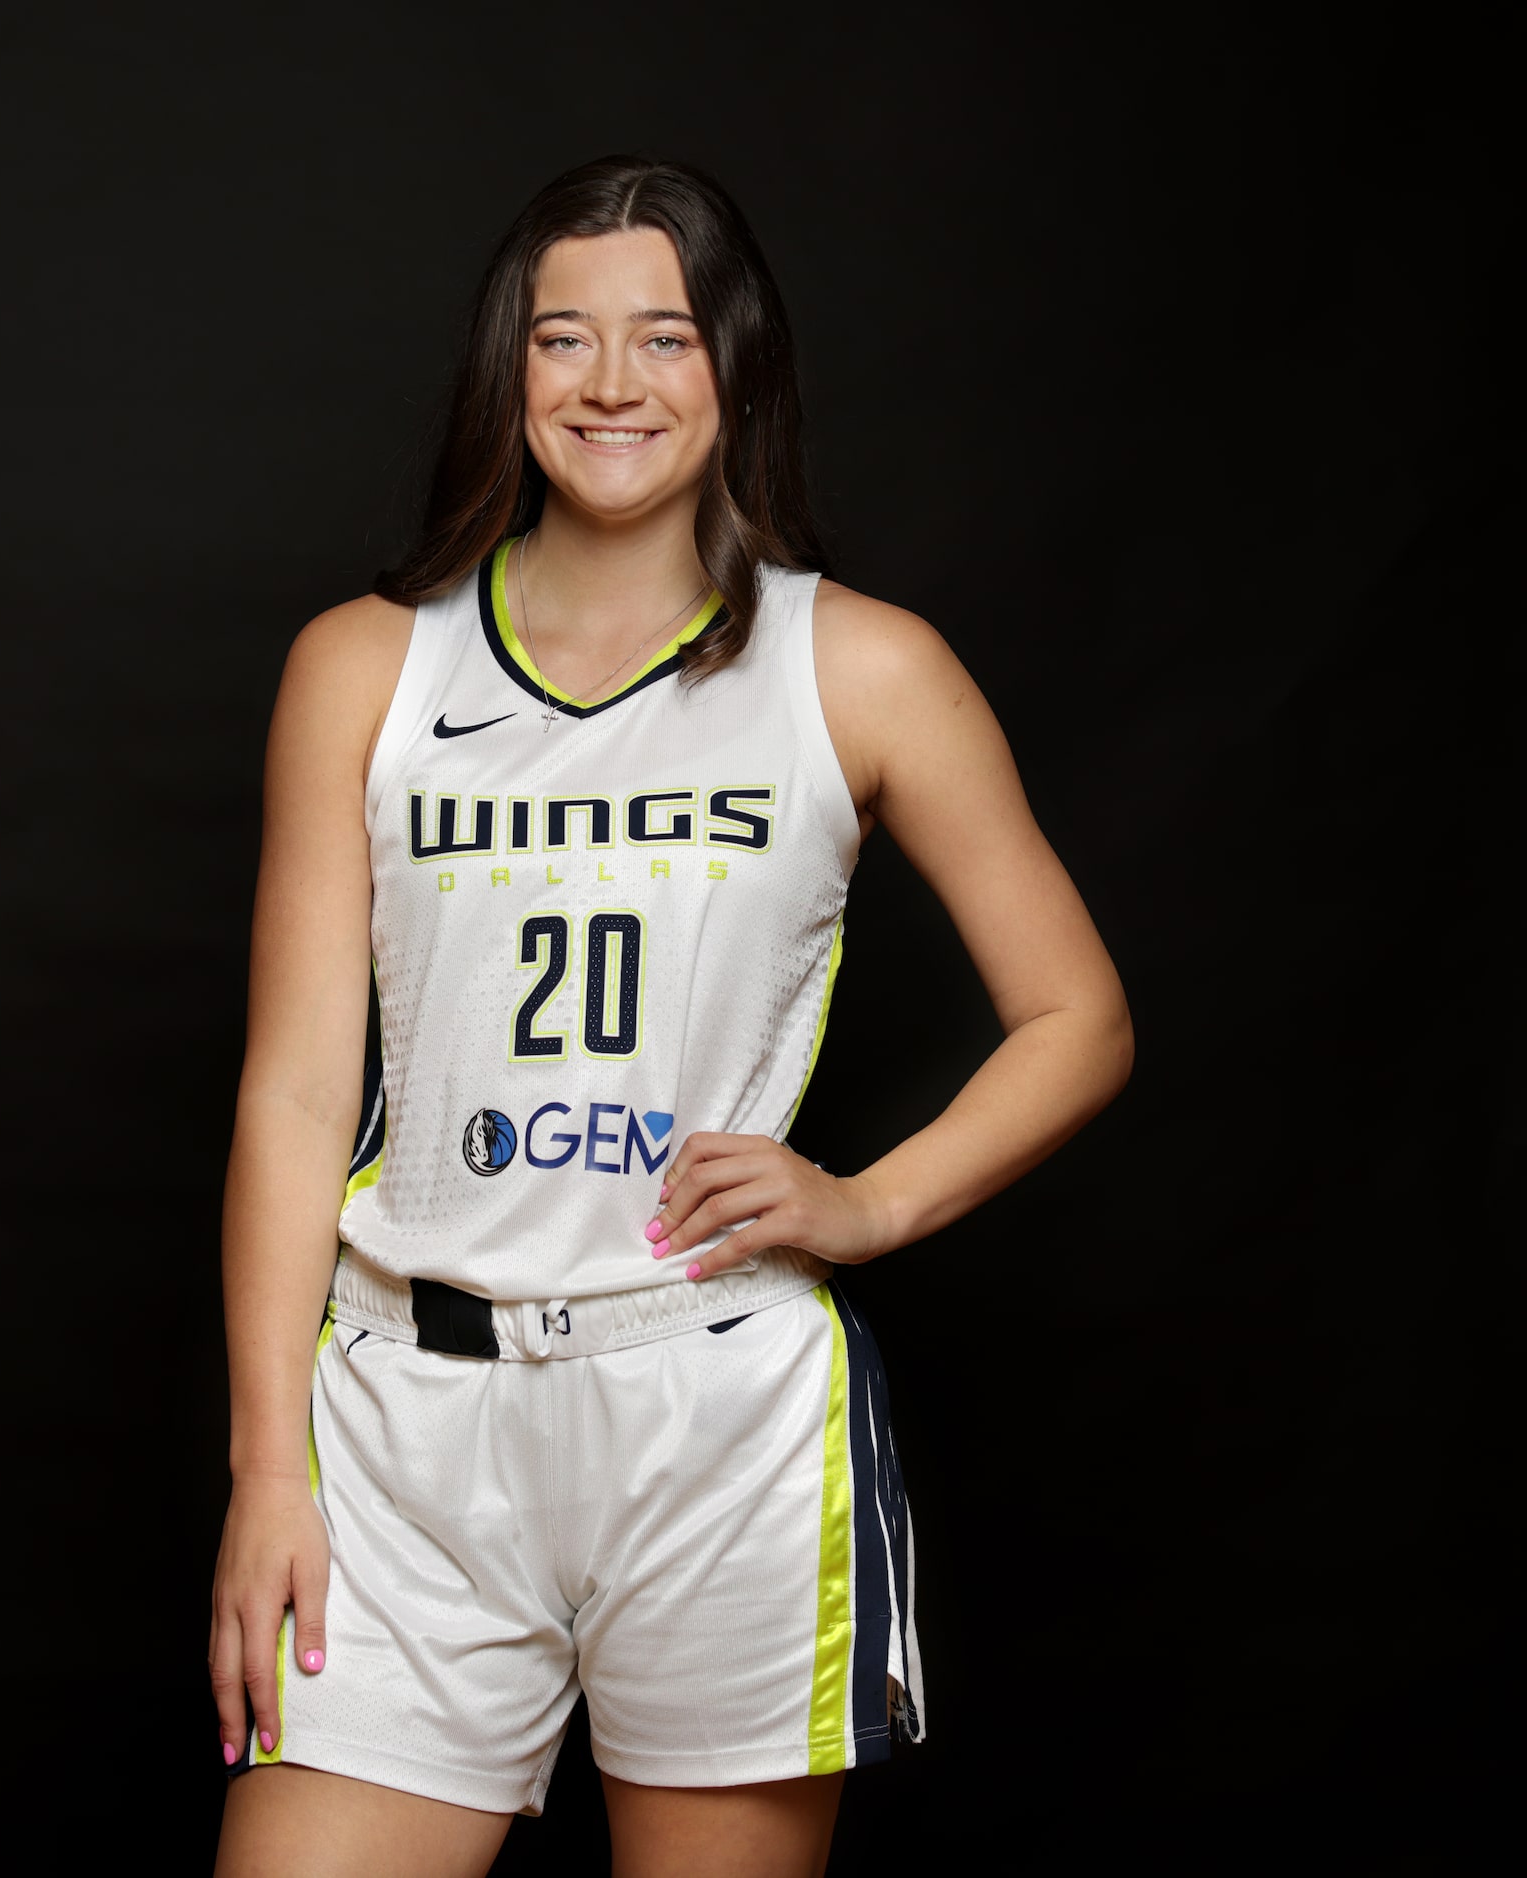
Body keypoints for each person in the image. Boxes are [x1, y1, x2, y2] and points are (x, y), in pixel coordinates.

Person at [209, 154, 1133, 1878]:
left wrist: (865, 1202)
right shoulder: (365, 664)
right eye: (564, 339)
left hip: (714, 1413)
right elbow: (289, 1094)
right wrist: (271, 1467)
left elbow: (1077, 1013)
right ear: (511, 369)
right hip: (406, 1423)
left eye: (666, 339)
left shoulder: (854, 664)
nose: (612, 384)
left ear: (741, 369)